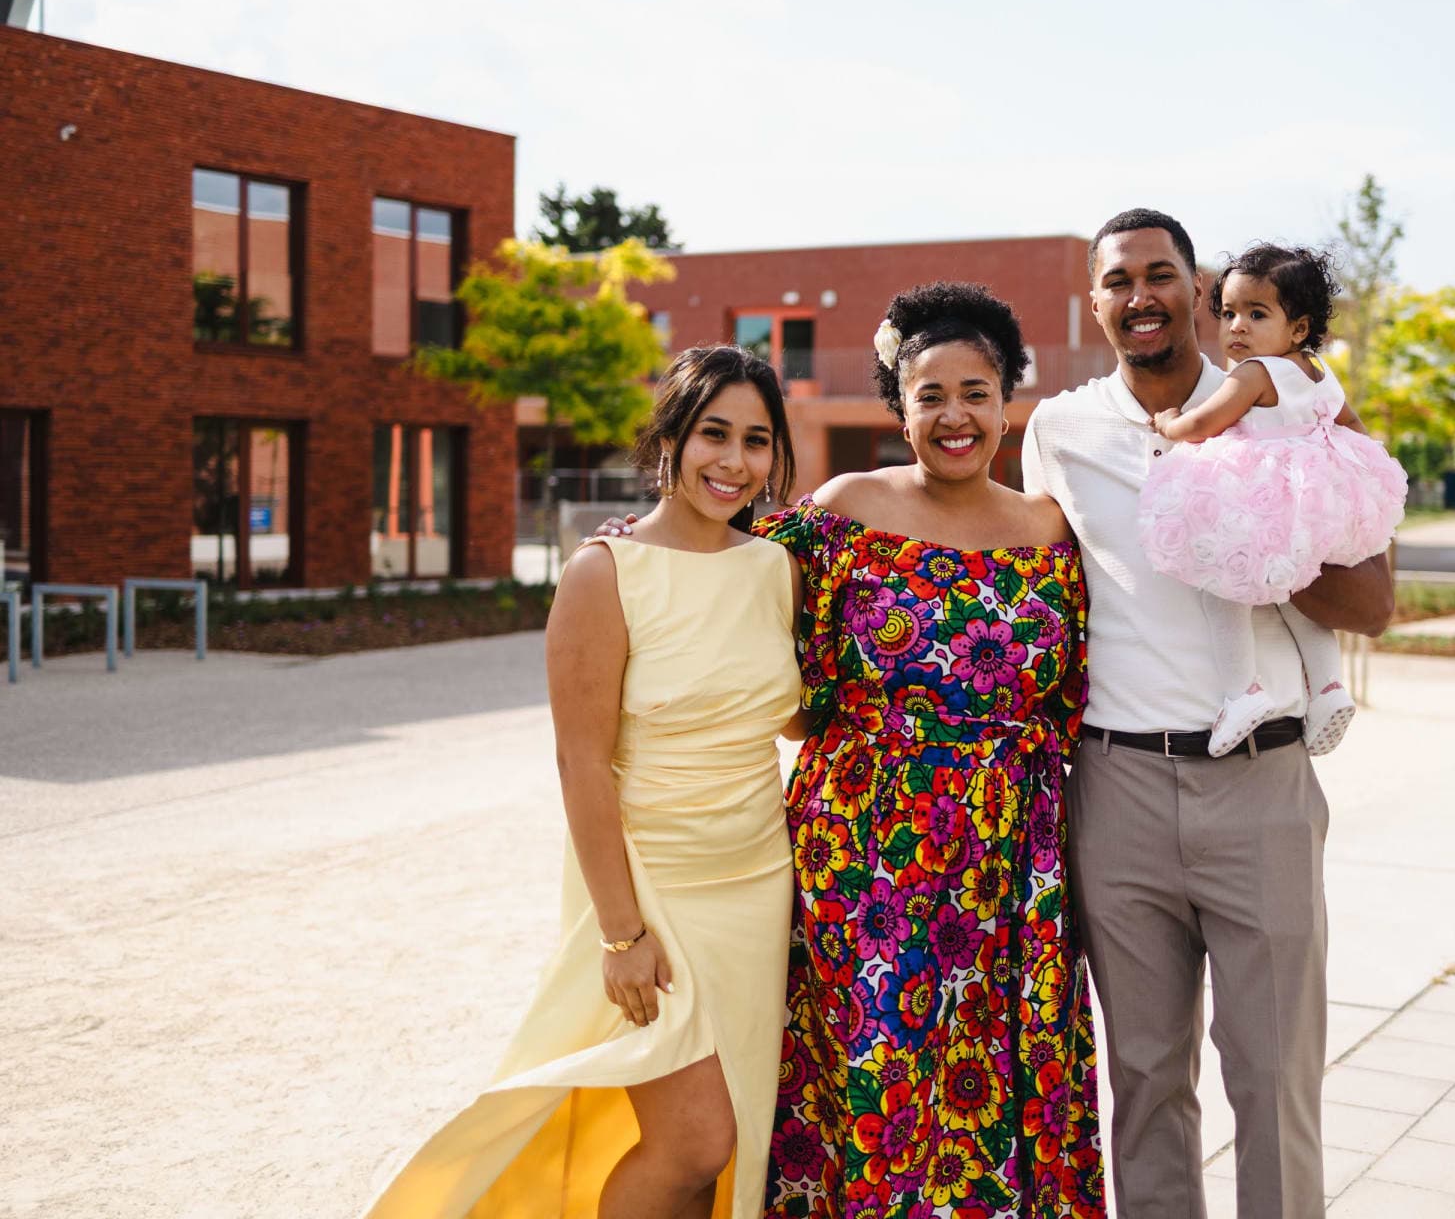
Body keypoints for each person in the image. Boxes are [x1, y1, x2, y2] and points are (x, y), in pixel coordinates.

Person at [362, 345, 805, 1219]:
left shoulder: (774, 569)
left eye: (756, 441)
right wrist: (620, 932)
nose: (735, 461)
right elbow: (579, 763)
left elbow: (784, 715)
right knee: (695, 1138)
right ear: (669, 439)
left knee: (732, 1144)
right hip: (651, 891)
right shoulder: (605, 573)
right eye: (714, 433)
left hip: (758, 887)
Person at [1022, 209, 1394, 1218]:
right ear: (1094, 302)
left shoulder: (1300, 408)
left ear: (1200, 288)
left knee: (1275, 1080)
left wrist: (1262, 539)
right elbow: (1034, 591)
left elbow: (1375, 604)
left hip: (1261, 787)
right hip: (1119, 788)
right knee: (1144, 1079)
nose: (1140, 295)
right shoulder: (1060, 430)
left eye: (1161, 274)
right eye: (1118, 280)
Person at [754, 282, 1106, 1215]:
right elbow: (744, 626)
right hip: (865, 849)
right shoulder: (842, 510)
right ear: (900, 410)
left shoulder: (1049, 532)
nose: (955, 415)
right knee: (877, 1077)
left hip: (1010, 859)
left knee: (1003, 1081)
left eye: (976, 392)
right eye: (931, 395)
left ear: (1007, 402)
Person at [1138, 242, 1406, 757]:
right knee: (1295, 593)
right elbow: (1351, 424)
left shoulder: (1254, 374)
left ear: (1298, 327)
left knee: (1223, 586)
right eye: (1229, 313)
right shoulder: (1320, 373)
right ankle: (1328, 687)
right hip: (1307, 505)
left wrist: (1168, 421)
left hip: (1256, 497)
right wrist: (1355, 468)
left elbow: (1201, 426)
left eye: (1256, 314)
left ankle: (1242, 691)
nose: (1237, 326)